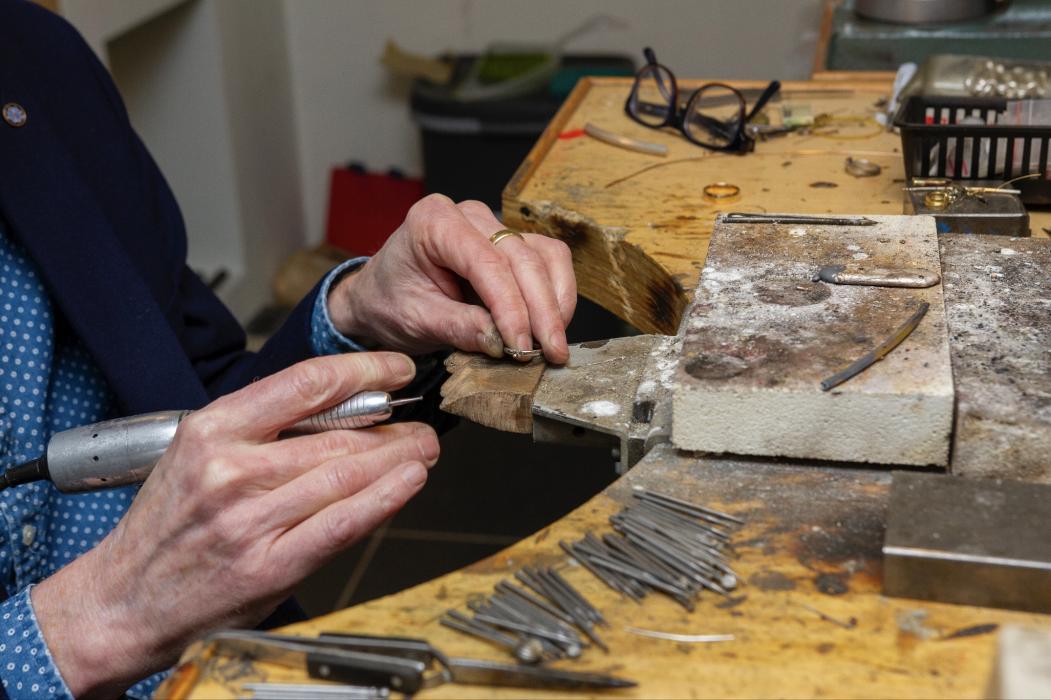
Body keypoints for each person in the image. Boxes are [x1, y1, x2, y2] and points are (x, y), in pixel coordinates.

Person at [0, 1, 576, 697]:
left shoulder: (34, 57)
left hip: (227, 666)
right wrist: (88, 625)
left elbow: (198, 393)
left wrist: (359, 310)